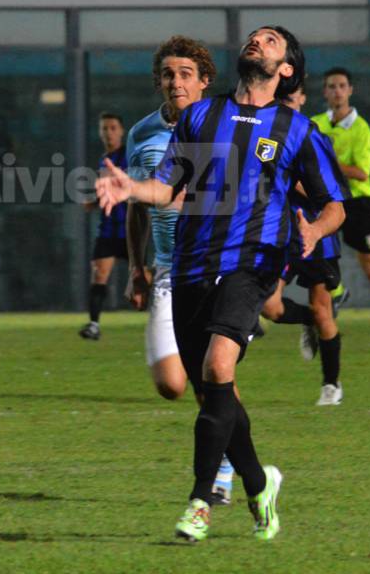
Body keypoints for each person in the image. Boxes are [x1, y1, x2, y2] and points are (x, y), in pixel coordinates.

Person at [96, 26, 346, 543]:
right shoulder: (199, 116)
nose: (257, 41)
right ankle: (259, 483)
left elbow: (334, 206)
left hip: (251, 265)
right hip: (188, 266)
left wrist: (313, 229)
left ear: (287, 69)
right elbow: (166, 188)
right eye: (255, 37)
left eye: (271, 40)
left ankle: (200, 502)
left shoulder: (297, 129)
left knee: (216, 367)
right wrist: (131, 188)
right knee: (217, 392)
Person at [125, 35, 238, 504]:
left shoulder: (225, 129)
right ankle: (235, 466)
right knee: (173, 383)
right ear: (159, 81)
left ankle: (225, 472)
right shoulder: (140, 134)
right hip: (168, 271)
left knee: (213, 373)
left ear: (204, 81)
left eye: (186, 74)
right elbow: (137, 206)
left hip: (217, 268)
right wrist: (135, 265)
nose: (176, 82)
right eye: (169, 74)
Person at [261, 84, 347, 406]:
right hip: (282, 235)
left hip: (316, 234)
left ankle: (331, 385)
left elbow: (333, 195)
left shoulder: (313, 137)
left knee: (324, 309)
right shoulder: (267, 138)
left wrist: (297, 180)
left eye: (291, 98)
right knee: (270, 306)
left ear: (302, 99)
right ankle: (307, 320)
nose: (286, 104)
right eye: (280, 99)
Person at [313, 67, 370, 352]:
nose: (337, 91)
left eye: (342, 85)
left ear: (350, 90)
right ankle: (337, 296)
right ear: (325, 92)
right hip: (327, 201)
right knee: (313, 251)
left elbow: (361, 173)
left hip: (357, 204)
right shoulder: (314, 124)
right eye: (331, 86)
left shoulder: (361, 128)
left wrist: (328, 161)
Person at [79, 112, 128, 340]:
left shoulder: (128, 156)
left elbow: (129, 188)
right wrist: (95, 202)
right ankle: (94, 325)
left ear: (121, 131)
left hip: (131, 229)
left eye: (113, 127)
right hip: (109, 228)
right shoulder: (103, 159)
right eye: (104, 128)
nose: (108, 132)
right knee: (99, 273)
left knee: (148, 277)